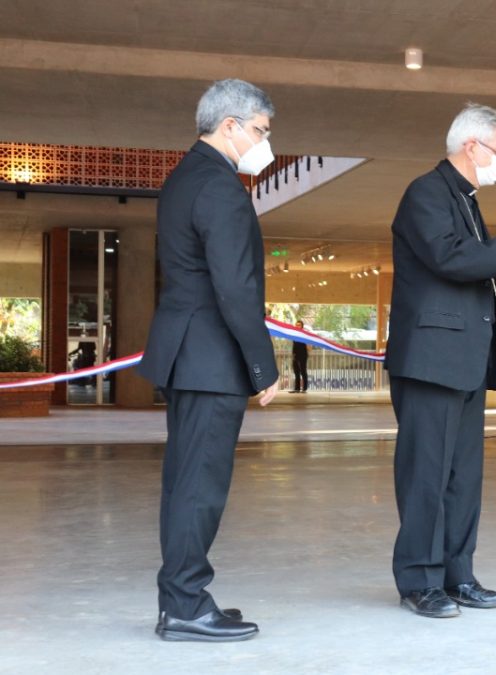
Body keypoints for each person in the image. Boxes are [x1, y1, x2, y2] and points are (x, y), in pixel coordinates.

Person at [385, 103, 496, 619]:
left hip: (465, 360)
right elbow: (450, 257)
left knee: (463, 476)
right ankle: (419, 579)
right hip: (431, 360)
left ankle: (458, 574)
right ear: (471, 146)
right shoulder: (425, 193)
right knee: (426, 475)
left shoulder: (464, 198)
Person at [136, 79, 280, 641]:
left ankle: (183, 597)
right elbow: (235, 287)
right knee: (199, 486)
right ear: (230, 126)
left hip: (186, 352)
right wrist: (263, 367)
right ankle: (185, 605)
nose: (266, 143)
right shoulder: (219, 187)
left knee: (185, 483)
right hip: (209, 357)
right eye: (262, 131)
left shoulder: (184, 178)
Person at [291, 319, 309, 393]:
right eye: (296, 325)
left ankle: (304, 389)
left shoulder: (304, 334)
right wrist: (293, 354)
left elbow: (308, 345)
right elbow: (294, 345)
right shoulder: (294, 334)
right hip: (296, 355)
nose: (297, 326)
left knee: (303, 371)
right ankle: (297, 388)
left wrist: (308, 350)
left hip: (303, 355)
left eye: (299, 325)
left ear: (302, 326)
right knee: (296, 372)